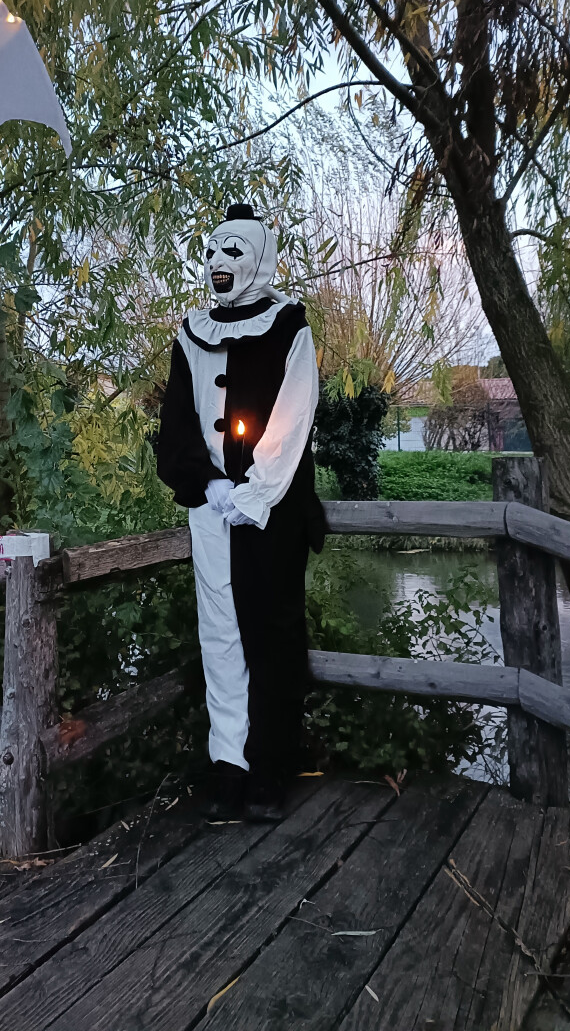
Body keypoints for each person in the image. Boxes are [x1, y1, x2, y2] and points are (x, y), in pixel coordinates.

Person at [156, 203, 324, 822]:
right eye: (211, 251)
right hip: (211, 511)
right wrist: (207, 484)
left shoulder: (290, 327)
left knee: (272, 633)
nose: (216, 262)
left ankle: (271, 767)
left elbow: (294, 416)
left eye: (232, 251)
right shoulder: (191, 333)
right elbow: (176, 421)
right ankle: (229, 764)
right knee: (220, 635)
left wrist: (253, 492)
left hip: (270, 512)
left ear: (258, 259)